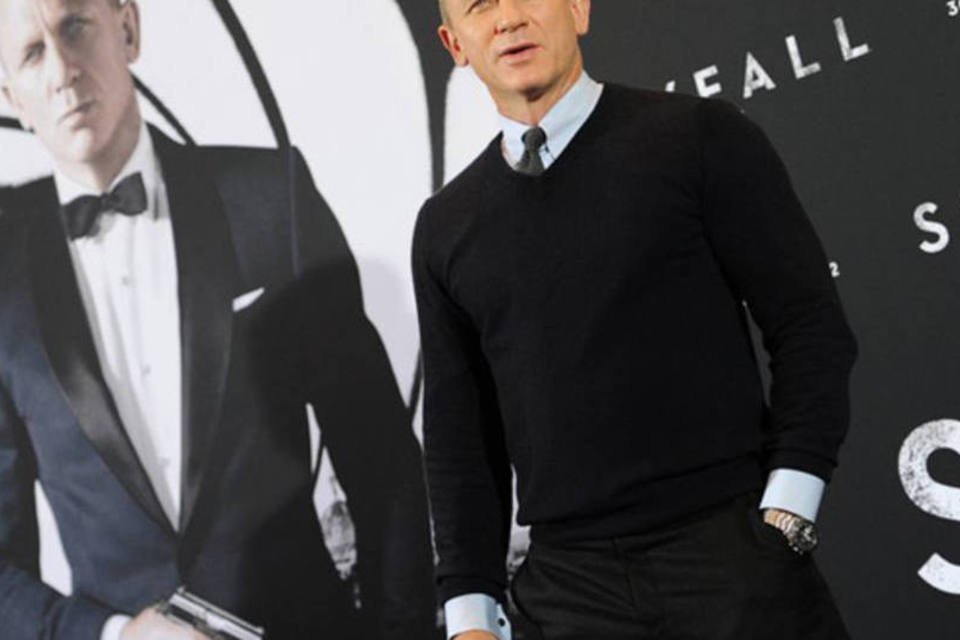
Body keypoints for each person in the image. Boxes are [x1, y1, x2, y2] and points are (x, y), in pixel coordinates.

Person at [413, 1, 858, 638]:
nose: (507, 18)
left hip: (730, 559)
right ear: (455, 44)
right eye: (479, 4)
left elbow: (809, 324)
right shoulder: (445, 227)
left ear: (578, 8)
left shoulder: (697, 135)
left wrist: (786, 513)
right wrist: (469, 616)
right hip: (566, 592)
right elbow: (461, 441)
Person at [0, 0, 435, 638]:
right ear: (10, 94)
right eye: (33, 53)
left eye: (75, 27)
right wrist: (112, 634)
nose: (63, 71)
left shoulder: (271, 197)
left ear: (128, 28)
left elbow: (384, 470)